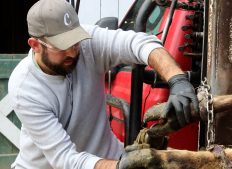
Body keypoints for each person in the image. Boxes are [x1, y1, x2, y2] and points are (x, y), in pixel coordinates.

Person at [8, 0, 199, 168]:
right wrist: (120, 167)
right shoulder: (25, 88)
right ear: (35, 44)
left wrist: (177, 80)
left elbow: (140, 43)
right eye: (62, 46)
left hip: (107, 157)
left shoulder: (87, 43)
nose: (73, 53)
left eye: (75, 43)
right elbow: (65, 160)